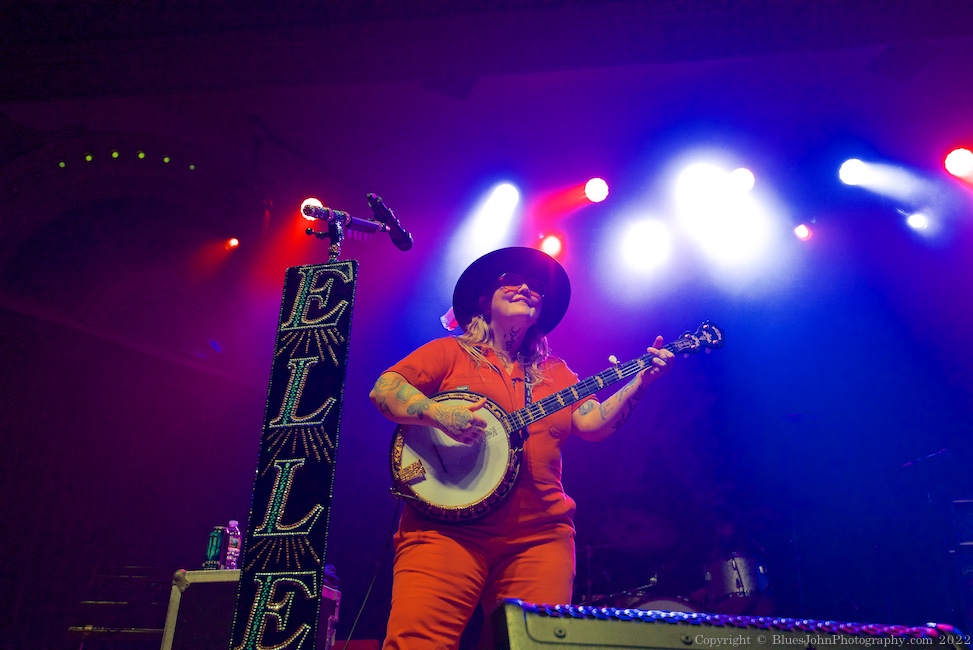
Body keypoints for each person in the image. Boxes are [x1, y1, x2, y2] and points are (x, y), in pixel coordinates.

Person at [369, 246, 675, 649]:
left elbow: (594, 423)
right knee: (417, 643)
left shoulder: (558, 373)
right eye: (512, 281)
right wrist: (438, 414)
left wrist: (640, 382)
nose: (527, 288)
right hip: (446, 530)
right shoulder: (450, 353)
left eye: (535, 287)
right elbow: (385, 389)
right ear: (483, 301)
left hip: (540, 536)